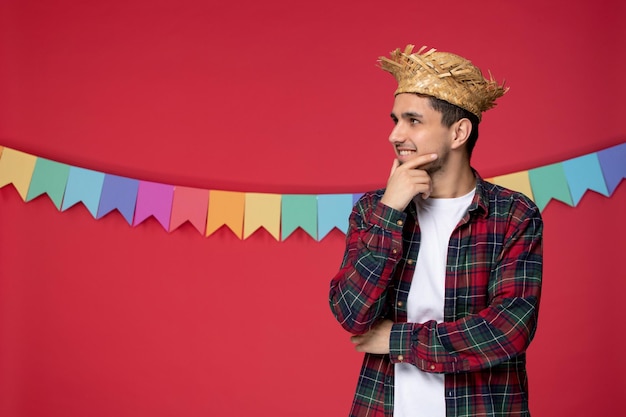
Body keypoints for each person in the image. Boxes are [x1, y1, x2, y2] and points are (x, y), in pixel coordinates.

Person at [328, 44, 543, 417]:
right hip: (383, 406)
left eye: (413, 121)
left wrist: (396, 339)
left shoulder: (513, 214)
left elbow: (508, 329)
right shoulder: (373, 210)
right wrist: (390, 212)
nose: (395, 135)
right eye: (394, 120)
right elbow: (351, 314)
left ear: (458, 132)